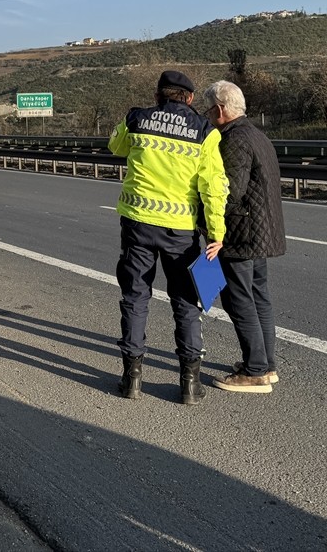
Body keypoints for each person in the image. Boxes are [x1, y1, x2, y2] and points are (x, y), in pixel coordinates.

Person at [108, 70, 229, 405]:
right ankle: (189, 384)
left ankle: (131, 380)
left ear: (158, 94)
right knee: (186, 303)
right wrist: (217, 234)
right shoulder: (204, 131)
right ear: (189, 98)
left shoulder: (137, 118)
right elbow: (214, 188)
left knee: (135, 298)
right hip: (181, 231)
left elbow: (115, 146)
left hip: (137, 224)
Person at [200, 80, 285, 393]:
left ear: (221, 110)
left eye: (208, 111)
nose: (207, 117)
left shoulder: (233, 139)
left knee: (239, 300)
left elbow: (229, 192)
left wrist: (212, 228)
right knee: (259, 296)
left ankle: (255, 370)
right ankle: (266, 363)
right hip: (260, 232)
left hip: (239, 233)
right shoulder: (257, 134)